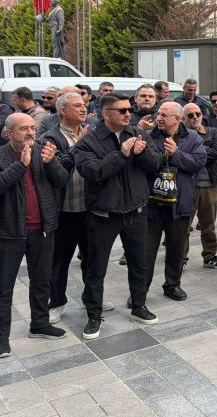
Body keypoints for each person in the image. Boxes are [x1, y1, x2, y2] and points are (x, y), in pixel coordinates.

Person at [74, 92, 163, 339]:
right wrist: (122, 155)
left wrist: (142, 152)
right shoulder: (88, 141)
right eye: (122, 110)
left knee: (139, 263)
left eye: (129, 110)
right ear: (105, 113)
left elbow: (156, 163)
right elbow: (93, 172)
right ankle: (93, 316)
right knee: (96, 268)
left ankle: (139, 306)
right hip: (103, 214)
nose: (127, 114)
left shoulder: (139, 134)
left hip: (135, 211)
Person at [0, 114, 69, 357]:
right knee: (4, 287)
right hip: (9, 233)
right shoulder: (2, 155)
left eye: (32, 128)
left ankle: (39, 324)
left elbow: (62, 181)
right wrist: (21, 165)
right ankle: (1, 340)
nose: (31, 133)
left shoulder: (44, 151)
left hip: (43, 228)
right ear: (8, 133)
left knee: (41, 280)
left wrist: (52, 163)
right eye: (23, 129)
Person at [43, 92, 112, 324]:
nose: (83, 109)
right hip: (64, 210)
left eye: (84, 105)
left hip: (91, 207)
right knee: (59, 260)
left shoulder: (92, 132)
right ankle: (57, 302)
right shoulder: (49, 138)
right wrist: (78, 146)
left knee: (93, 258)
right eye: (77, 106)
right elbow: (58, 172)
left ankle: (91, 298)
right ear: (62, 110)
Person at [144, 102, 206, 301]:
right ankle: (139, 290)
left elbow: (198, 162)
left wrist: (176, 154)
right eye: (158, 114)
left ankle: (172, 285)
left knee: (176, 248)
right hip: (152, 204)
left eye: (164, 115)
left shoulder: (192, 137)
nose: (159, 118)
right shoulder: (148, 136)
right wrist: (163, 155)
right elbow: (141, 164)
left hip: (180, 203)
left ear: (177, 119)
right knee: (146, 251)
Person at [181, 104, 217, 270]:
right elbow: (178, 154)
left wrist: (194, 153)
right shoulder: (179, 134)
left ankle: (210, 256)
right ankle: (181, 259)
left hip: (210, 185)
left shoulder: (211, 132)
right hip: (186, 186)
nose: (194, 117)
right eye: (190, 115)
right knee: (183, 225)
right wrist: (199, 153)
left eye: (197, 114)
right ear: (183, 118)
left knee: (208, 224)